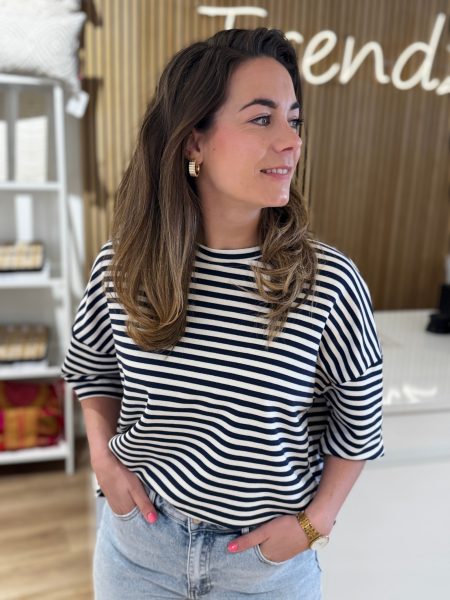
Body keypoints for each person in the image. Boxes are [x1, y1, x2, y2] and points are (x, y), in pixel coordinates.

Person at [62, 27, 384, 600]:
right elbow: (93, 371)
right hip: (138, 554)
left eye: (294, 120)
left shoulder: (328, 282)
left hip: (264, 571)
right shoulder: (123, 265)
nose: (291, 141)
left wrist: (315, 523)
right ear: (195, 142)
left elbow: (358, 422)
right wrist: (105, 464)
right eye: (262, 119)